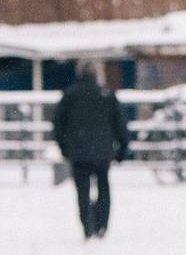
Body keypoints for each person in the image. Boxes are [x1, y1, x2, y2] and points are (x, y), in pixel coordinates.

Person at [52, 61, 131, 239]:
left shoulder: (70, 95)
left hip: (78, 152)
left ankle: (87, 226)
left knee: (82, 191)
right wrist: (122, 149)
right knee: (103, 187)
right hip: (103, 152)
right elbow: (120, 124)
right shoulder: (107, 94)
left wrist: (64, 148)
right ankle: (101, 225)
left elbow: (58, 124)